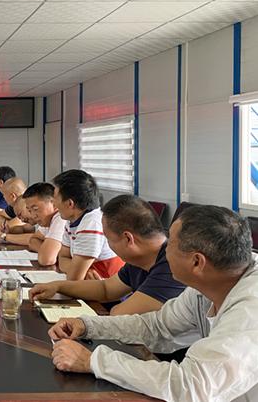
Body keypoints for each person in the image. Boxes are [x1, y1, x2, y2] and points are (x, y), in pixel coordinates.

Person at [48, 205, 258, 402]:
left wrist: (92, 361)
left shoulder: (250, 310)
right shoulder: (207, 286)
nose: (165, 250)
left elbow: (190, 385)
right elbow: (157, 326)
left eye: (171, 243)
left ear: (197, 262)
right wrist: (88, 325)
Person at [30, 195, 186, 315]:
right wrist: (57, 286)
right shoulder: (140, 260)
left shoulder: (172, 265)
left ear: (128, 239)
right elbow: (105, 288)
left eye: (108, 239)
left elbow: (120, 314)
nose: (108, 246)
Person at [52, 170, 124, 280]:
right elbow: (62, 259)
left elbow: (74, 279)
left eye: (55, 198)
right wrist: (82, 271)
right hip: (92, 284)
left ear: (70, 203)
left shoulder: (91, 224)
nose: (54, 203)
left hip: (108, 286)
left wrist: (77, 271)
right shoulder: (72, 220)